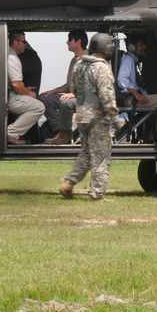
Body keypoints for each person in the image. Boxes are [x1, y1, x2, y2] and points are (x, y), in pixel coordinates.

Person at [59, 33, 120, 201]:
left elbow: (73, 89)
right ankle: (96, 194)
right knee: (101, 157)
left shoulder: (79, 65)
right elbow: (106, 95)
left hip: (82, 117)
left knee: (86, 153)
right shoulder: (102, 67)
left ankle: (69, 182)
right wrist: (115, 118)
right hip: (98, 119)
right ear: (105, 48)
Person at [38, 29, 88, 145]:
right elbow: (68, 85)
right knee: (43, 98)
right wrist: (53, 91)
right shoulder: (74, 60)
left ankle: (65, 134)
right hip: (74, 96)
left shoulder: (89, 60)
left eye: (70, 39)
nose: (67, 42)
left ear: (78, 41)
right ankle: (59, 129)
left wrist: (74, 94)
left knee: (66, 103)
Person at [7, 30, 45, 145]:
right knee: (39, 107)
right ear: (15, 42)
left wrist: (24, 90)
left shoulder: (9, 54)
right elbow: (16, 84)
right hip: (9, 98)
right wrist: (29, 94)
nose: (26, 44)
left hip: (8, 94)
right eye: (23, 42)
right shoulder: (12, 58)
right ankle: (11, 133)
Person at [117, 34, 157, 109]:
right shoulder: (128, 59)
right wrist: (137, 95)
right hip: (133, 99)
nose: (144, 47)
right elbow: (122, 78)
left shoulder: (134, 60)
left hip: (136, 97)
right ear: (132, 47)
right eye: (141, 45)